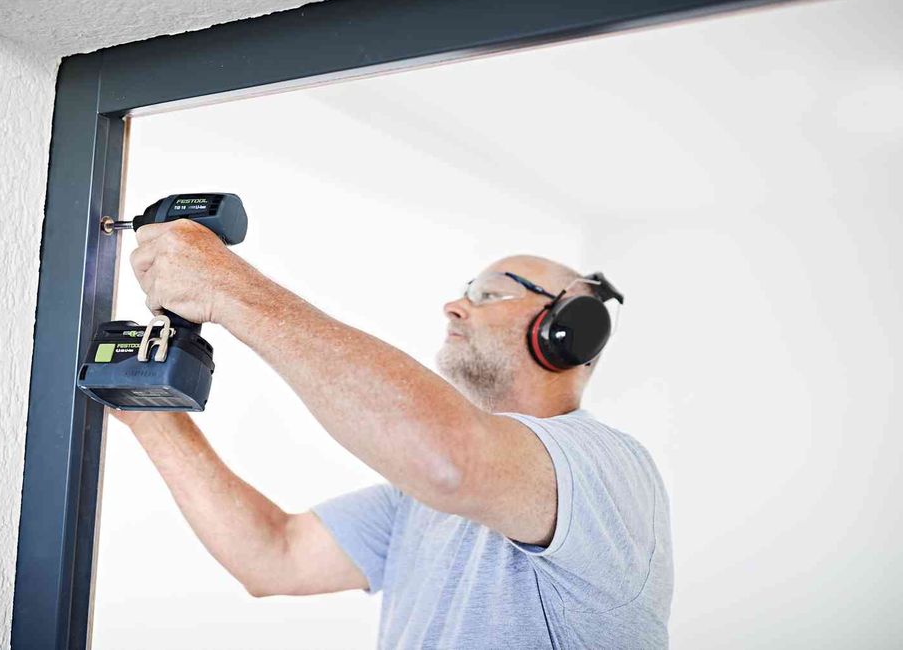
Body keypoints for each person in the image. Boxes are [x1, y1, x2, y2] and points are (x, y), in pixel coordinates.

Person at [112, 218, 673, 649]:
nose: (454, 307)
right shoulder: (418, 504)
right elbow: (274, 554)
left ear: (570, 330)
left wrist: (226, 287)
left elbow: (449, 461)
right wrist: (148, 411)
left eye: (490, 293)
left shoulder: (609, 467)